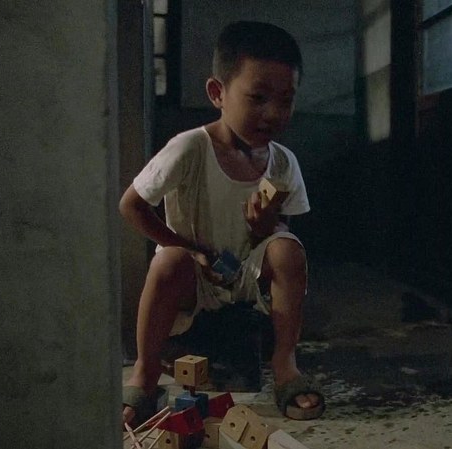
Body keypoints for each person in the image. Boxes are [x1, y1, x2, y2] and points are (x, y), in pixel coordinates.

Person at [119, 21, 324, 424]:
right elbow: (132, 205)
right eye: (258, 98)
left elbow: (281, 236)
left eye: (285, 100)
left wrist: (267, 228)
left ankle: (285, 365)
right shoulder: (190, 148)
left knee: (288, 250)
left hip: (246, 275)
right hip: (195, 274)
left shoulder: (283, 162)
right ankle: (145, 371)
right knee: (168, 260)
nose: (272, 113)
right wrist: (190, 248)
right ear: (218, 93)